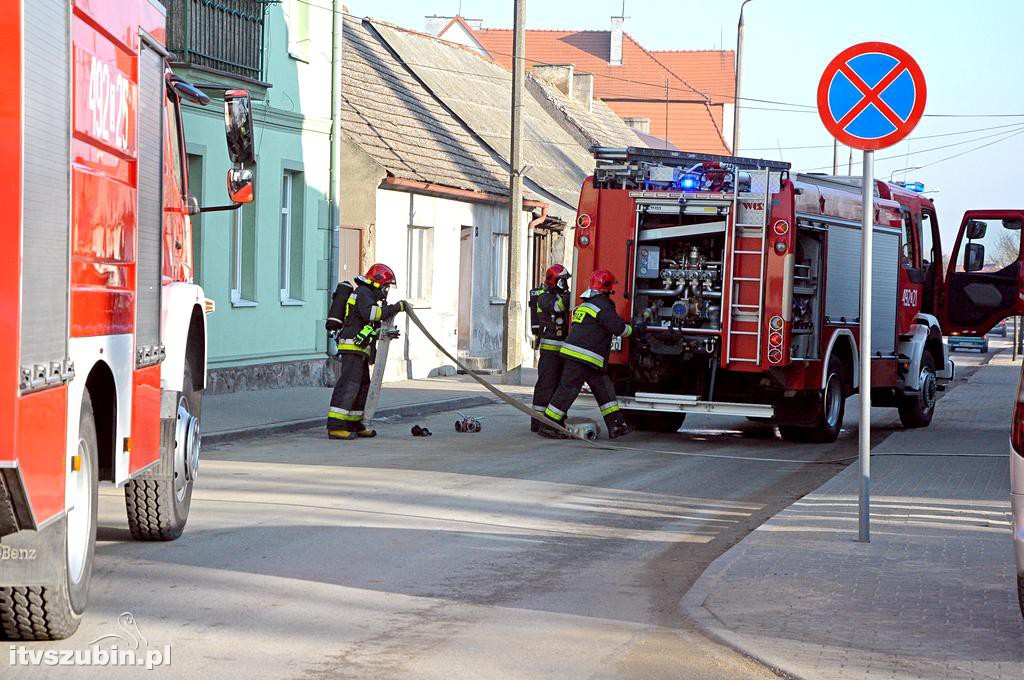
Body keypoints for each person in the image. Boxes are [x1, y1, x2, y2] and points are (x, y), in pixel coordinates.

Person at [539, 269, 635, 440]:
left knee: (604, 389)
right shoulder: (603, 305)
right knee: (568, 389)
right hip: (584, 356)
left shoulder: (586, 304)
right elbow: (619, 329)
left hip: (584, 356)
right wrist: (635, 329)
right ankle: (548, 425)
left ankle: (616, 424)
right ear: (607, 287)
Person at [326, 264, 406, 440]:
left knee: (362, 387)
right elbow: (372, 314)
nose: (386, 291)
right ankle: (336, 426)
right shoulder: (363, 292)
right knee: (349, 385)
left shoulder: (368, 295)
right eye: (386, 286)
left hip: (361, 348)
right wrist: (395, 308)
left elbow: (368, 325)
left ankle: (354, 423)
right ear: (378, 282)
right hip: (352, 347)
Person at [530, 264, 572, 432]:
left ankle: (555, 420)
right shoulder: (544, 298)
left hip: (563, 350)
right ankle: (538, 421)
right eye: (563, 281)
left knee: (559, 387)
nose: (566, 285)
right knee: (546, 385)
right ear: (555, 281)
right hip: (550, 351)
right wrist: (574, 295)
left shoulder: (562, 295)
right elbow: (559, 307)